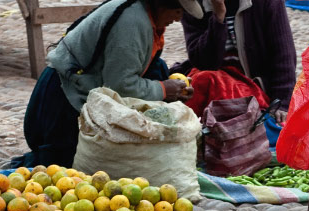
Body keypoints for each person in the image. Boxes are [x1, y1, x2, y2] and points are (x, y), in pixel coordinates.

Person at [16, 0, 201, 168]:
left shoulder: (145, 17)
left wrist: (170, 90)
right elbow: (121, 85)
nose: (179, 18)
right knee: (62, 169)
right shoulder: (133, 22)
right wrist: (163, 89)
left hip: (77, 89)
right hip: (60, 101)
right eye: (178, 11)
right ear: (162, 5)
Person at [178, 0, 297, 119]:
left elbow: (283, 54)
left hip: (253, 86)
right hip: (215, 80)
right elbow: (203, 62)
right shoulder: (194, 6)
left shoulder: (267, 2)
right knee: (200, 81)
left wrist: (282, 102)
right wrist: (219, 16)